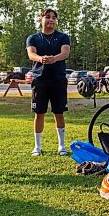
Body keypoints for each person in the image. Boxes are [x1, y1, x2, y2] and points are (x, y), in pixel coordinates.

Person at [26, 8, 71, 156]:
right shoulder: (33, 38)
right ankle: (37, 147)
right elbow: (31, 54)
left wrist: (54, 58)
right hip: (40, 80)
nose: (51, 20)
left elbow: (65, 53)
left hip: (58, 79)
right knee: (39, 113)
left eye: (53, 18)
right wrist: (41, 59)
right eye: (47, 17)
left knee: (59, 113)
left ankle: (61, 146)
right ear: (41, 19)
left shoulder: (63, 37)